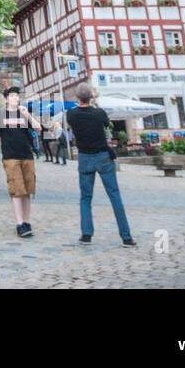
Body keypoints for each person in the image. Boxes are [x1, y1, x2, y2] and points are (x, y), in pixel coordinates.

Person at [66, 83, 136, 246]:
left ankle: (86, 235)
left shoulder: (72, 114)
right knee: (114, 195)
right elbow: (107, 124)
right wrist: (96, 102)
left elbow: (74, 118)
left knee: (85, 197)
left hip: (84, 157)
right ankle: (126, 236)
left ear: (77, 97)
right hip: (102, 157)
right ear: (91, 97)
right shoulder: (99, 113)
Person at [0, 87, 43, 237]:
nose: (15, 98)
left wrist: (28, 115)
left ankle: (26, 221)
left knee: (27, 191)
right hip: (10, 157)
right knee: (17, 190)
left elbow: (38, 129)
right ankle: (19, 224)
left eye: (16, 96)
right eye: (12, 96)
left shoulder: (24, 114)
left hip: (27, 156)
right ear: (5, 99)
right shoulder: (0, 115)